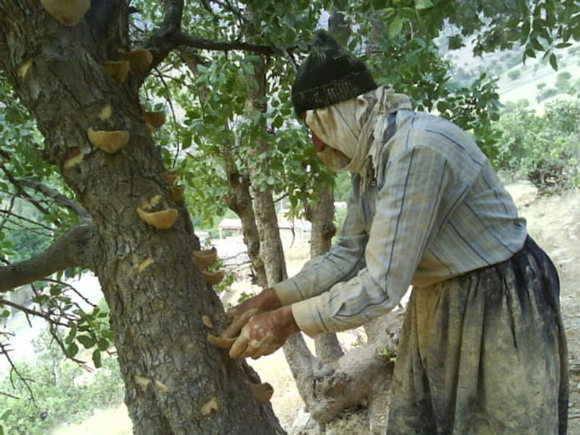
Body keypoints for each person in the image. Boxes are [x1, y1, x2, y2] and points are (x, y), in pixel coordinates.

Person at [220, 29, 569, 434]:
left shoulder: (416, 150)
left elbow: (382, 285)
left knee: (500, 422)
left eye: (320, 127)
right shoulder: (370, 162)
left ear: (354, 110)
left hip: (499, 296)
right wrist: (271, 298)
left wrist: (287, 320)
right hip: (440, 300)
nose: (315, 144)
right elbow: (348, 255)